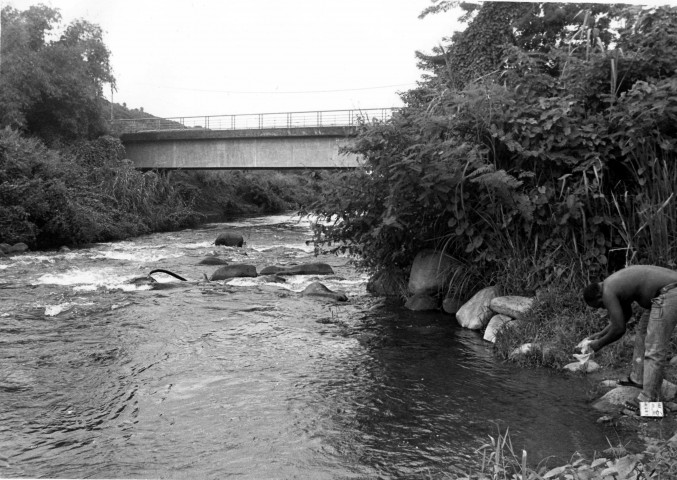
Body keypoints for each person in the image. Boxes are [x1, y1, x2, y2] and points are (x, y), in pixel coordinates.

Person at [581, 265, 677, 411]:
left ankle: (649, 403)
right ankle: (638, 379)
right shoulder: (612, 285)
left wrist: (597, 345)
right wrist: (599, 335)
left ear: (599, 297)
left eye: (601, 305)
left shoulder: (608, 292)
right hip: (664, 293)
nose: (604, 308)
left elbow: (619, 329)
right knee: (642, 333)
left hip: (669, 292)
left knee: (654, 349)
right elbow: (623, 317)